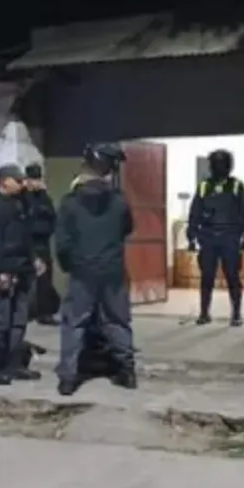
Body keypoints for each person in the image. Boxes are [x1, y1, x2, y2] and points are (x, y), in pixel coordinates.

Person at [54, 144, 136, 396]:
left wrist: (70, 265)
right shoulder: (119, 201)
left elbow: (62, 242)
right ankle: (126, 371)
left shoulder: (70, 202)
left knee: (74, 323)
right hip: (112, 270)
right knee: (117, 320)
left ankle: (68, 378)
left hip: (82, 271)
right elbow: (127, 229)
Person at [0, 163, 45, 385]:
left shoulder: (20, 201)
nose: (22, 184)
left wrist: (33, 258)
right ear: (4, 181)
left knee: (18, 320)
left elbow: (26, 234)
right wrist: (1, 272)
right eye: (18, 180)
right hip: (3, 272)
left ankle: (12, 364)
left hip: (22, 268)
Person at [186, 149, 244, 326]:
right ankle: (204, 313)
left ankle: (236, 314)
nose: (218, 167)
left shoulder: (236, 186)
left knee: (232, 276)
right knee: (207, 276)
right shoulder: (204, 186)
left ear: (228, 166)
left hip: (230, 237)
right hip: (208, 237)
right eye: (215, 164)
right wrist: (191, 236)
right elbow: (195, 212)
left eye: (221, 164)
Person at [23, 163, 61, 325]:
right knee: (27, 280)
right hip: (27, 243)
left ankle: (45, 313)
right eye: (32, 179)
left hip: (43, 243)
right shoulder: (23, 198)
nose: (35, 183)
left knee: (45, 279)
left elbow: (53, 218)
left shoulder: (44, 198)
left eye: (37, 179)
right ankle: (25, 312)